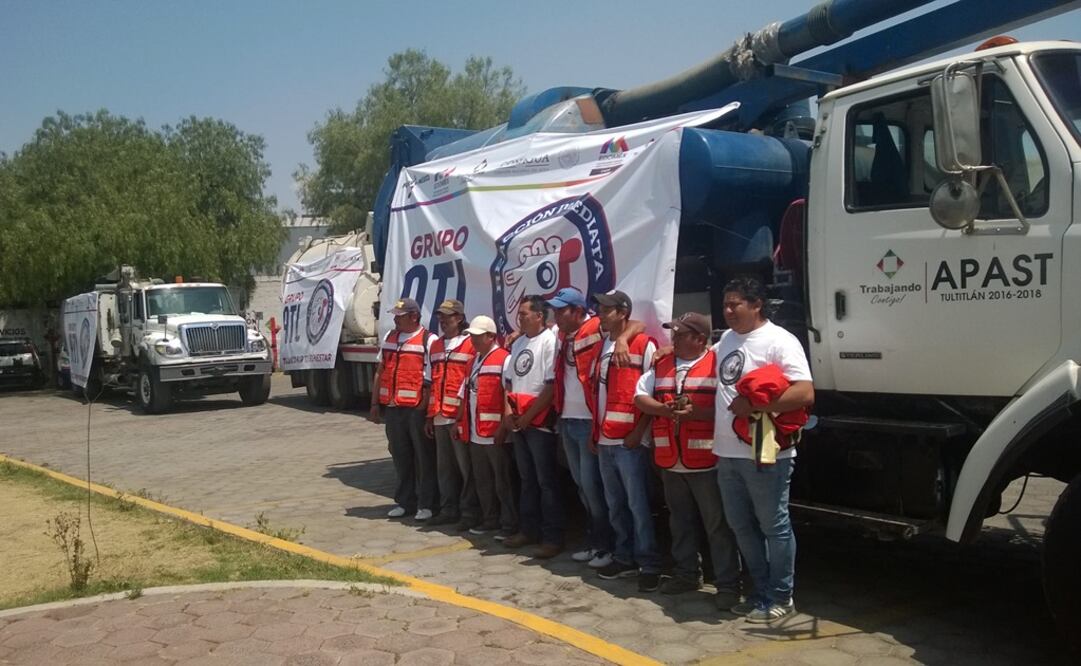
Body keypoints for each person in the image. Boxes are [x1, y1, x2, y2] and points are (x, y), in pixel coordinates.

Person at [712, 277, 814, 623]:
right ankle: (759, 593)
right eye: (725, 304)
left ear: (756, 305)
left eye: (735, 304)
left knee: (774, 526)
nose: (728, 311)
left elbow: (805, 393)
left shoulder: (779, 341)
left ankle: (781, 596)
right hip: (727, 454)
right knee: (741, 526)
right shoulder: (726, 340)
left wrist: (757, 408)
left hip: (765, 454)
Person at [634, 312, 742, 607]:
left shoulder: (716, 364)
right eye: (674, 334)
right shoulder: (663, 363)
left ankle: (728, 585)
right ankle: (685, 575)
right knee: (679, 522)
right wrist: (664, 409)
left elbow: (730, 408)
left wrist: (697, 413)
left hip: (705, 461)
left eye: (681, 335)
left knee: (717, 526)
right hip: (670, 459)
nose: (674, 339)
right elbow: (640, 396)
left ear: (700, 339)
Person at [548, 286, 644, 569]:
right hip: (567, 419)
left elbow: (638, 324)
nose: (556, 315)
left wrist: (625, 340)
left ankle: (607, 546)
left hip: (589, 421)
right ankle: (596, 542)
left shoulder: (596, 327)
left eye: (561, 310)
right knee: (581, 486)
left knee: (594, 488)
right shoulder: (561, 335)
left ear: (578, 311)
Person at [591, 290, 662, 592]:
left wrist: (640, 432)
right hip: (606, 439)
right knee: (615, 503)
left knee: (638, 504)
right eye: (599, 309)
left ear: (622, 312)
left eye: (606, 310)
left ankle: (649, 562)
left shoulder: (644, 345)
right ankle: (624, 556)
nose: (600, 314)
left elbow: (653, 393)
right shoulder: (603, 345)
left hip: (631, 441)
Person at [502, 295, 564, 559]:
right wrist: (508, 413)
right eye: (519, 314)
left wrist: (529, 417)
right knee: (527, 480)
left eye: (525, 313)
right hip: (519, 423)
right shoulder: (518, 344)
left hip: (539, 424)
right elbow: (508, 383)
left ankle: (552, 537)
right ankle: (528, 530)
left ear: (540, 316)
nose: (520, 317)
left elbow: (550, 387)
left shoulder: (550, 342)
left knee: (546, 481)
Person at [370, 297, 439, 521]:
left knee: (423, 458)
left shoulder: (428, 340)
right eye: (394, 316)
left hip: (415, 409)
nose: (395, 320)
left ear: (414, 316)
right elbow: (381, 371)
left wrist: (424, 406)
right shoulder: (390, 338)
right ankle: (404, 502)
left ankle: (427, 504)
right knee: (400, 455)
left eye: (399, 316)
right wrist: (374, 404)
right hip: (393, 408)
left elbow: (431, 377)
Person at [457, 315, 517, 538]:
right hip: (476, 432)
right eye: (471, 336)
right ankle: (490, 520)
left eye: (477, 337)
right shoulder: (473, 360)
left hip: (495, 433)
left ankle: (509, 524)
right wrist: (459, 422)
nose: (473, 341)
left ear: (491, 336)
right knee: (482, 481)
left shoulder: (504, 359)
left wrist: (503, 426)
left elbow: (507, 393)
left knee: (503, 482)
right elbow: (466, 394)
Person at [424, 299, 478, 529]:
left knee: (466, 468)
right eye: (440, 317)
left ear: (459, 317)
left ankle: (470, 513)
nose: (443, 321)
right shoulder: (435, 346)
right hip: (438, 416)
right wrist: (428, 416)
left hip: (458, 417)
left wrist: (461, 416)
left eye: (447, 316)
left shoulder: (469, 344)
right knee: (444, 468)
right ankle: (448, 509)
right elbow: (431, 383)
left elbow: (470, 383)